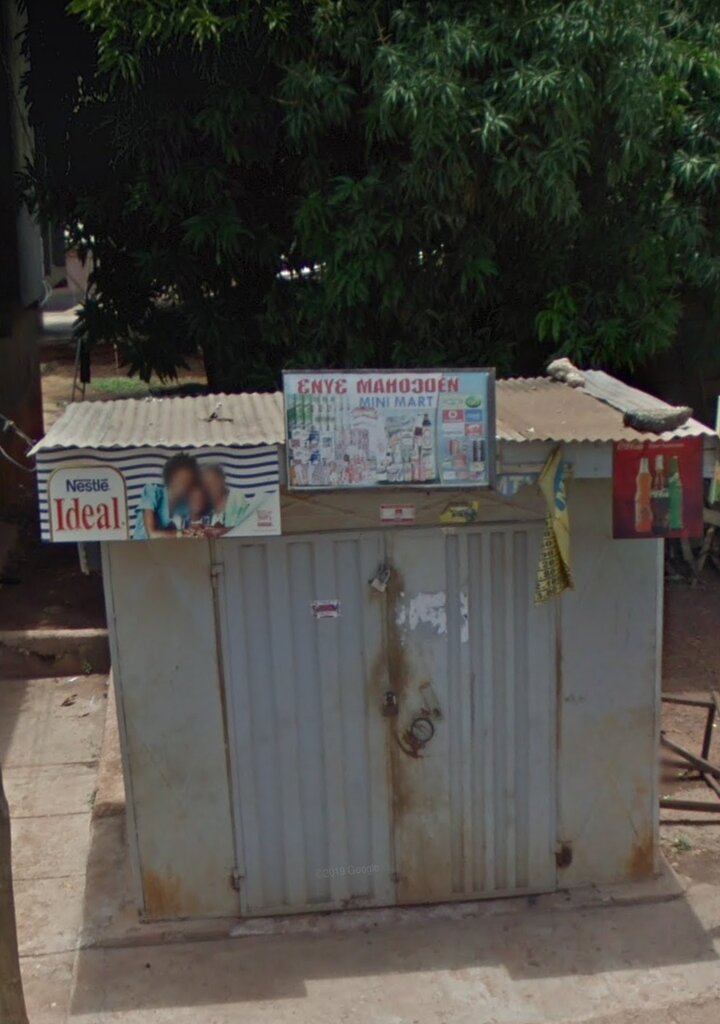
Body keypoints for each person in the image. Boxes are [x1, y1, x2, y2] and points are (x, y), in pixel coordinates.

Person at [133, 453, 200, 539]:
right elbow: (153, 534)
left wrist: (195, 530)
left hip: (167, 550)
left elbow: (184, 531)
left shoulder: (185, 504)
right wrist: (181, 534)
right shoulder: (153, 492)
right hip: (140, 550)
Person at [201, 464, 251, 537]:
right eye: (207, 483)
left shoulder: (237, 499)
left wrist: (221, 531)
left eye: (214, 481)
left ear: (222, 479)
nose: (211, 486)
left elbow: (247, 528)